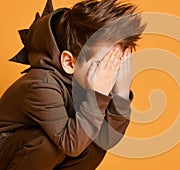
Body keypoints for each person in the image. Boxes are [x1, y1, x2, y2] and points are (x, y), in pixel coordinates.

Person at [0, 0, 145, 169]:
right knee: (51, 144)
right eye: (102, 64)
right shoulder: (41, 85)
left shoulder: (85, 82)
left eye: (115, 65)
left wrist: (121, 93)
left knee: (94, 142)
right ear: (69, 62)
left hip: (36, 155)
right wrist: (98, 95)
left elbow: (107, 139)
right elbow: (71, 144)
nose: (108, 74)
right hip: (8, 151)